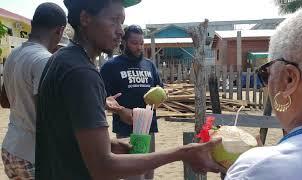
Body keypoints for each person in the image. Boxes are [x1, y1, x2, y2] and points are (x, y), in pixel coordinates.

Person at [35, 0, 224, 179]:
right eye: (114, 20)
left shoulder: (61, 59)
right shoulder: (81, 72)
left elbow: (67, 137)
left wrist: (116, 145)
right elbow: (104, 168)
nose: (120, 31)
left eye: (122, 22)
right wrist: (183, 152)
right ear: (85, 18)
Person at [225, 2, 302, 180]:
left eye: (265, 73)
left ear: (288, 80)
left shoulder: (260, 169)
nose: (265, 84)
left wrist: (256, 164)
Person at [0, 3, 66, 179]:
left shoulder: (13, 55)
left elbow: (4, 101)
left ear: (32, 23)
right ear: (60, 31)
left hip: (10, 150)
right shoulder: (45, 60)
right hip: (34, 155)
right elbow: (47, 116)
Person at [100, 25, 160, 180]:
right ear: (124, 42)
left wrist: (159, 99)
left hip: (149, 127)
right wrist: (120, 110)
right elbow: (101, 96)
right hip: (126, 127)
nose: (139, 47)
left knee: (148, 172)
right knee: (132, 175)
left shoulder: (149, 65)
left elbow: (159, 89)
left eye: (141, 43)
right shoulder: (111, 66)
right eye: (134, 43)